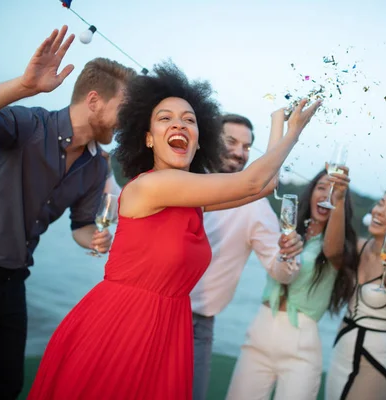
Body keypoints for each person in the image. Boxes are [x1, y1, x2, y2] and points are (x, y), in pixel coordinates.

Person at [27, 61, 322, 399]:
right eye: (165, 118)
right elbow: (252, 180)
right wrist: (294, 132)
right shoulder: (151, 187)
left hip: (168, 329)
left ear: (199, 142)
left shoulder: (188, 198)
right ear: (149, 138)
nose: (179, 124)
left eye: (189, 120)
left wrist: (276, 123)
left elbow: (261, 186)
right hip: (122, 327)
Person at [0, 26, 136, 400]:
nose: (124, 123)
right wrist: (24, 86)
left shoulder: (97, 166)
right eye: (123, 112)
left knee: (6, 386)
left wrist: (95, 238)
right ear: (94, 100)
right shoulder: (30, 124)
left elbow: (80, 225)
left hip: (13, 281)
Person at [190, 109, 304, 400]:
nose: (240, 153)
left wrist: (287, 254)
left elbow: (280, 271)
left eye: (246, 147)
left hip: (196, 326)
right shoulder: (184, 178)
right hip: (150, 308)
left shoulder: (254, 207)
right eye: (231, 142)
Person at [225, 167, 357, 400]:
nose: (327, 196)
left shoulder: (337, 249)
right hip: (260, 331)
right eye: (322, 188)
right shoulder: (286, 230)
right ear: (311, 192)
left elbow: (331, 250)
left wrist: (340, 197)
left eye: (334, 192)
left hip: (301, 347)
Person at [323, 186, 386, 400]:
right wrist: (340, 200)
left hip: (375, 360)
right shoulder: (360, 247)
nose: (378, 211)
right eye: (380, 203)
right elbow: (331, 251)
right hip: (342, 349)